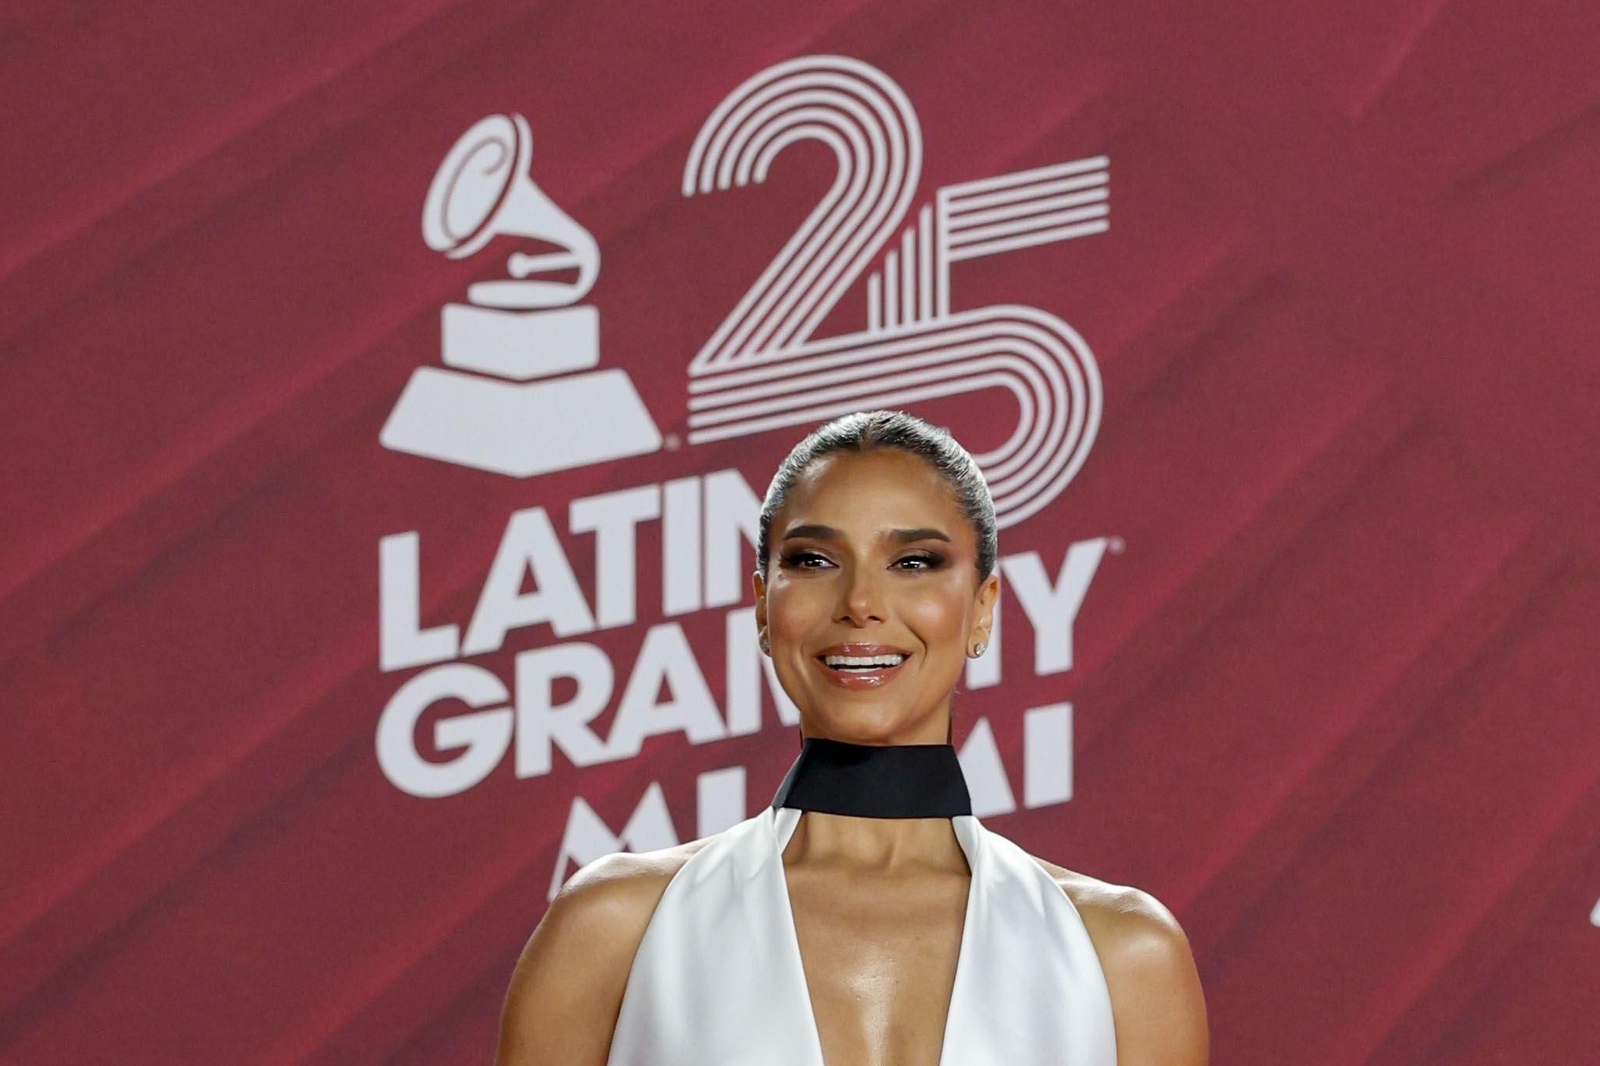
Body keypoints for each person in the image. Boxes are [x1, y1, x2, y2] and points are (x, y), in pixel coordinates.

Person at [494, 410, 1208, 1065]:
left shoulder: (1122, 957)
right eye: (813, 560)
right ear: (763, 608)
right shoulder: (612, 932)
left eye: (915, 562)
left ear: (983, 608)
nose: (861, 604)